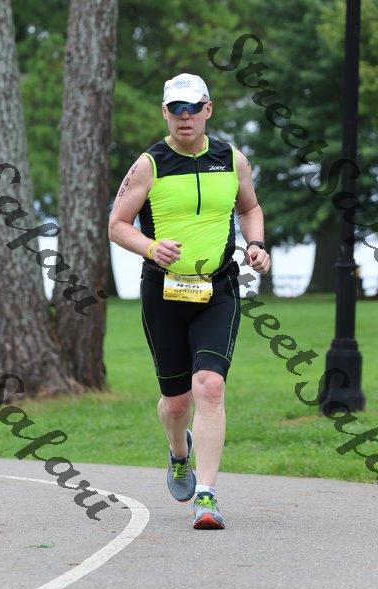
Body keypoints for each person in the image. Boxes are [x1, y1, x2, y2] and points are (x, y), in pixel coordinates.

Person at [108, 72, 270, 529]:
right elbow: (117, 224)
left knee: (210, 386)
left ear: (208, 110)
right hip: (164, 291)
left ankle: (207, 496)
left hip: (218, 289)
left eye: (193, 107)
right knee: (176, 403)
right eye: (176, 109)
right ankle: (180, 454)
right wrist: (149, 247)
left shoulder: (232, 159)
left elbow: (250, 208)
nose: (185, 117)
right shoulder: (149, 165)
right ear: (165, 113)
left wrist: (256, 244)